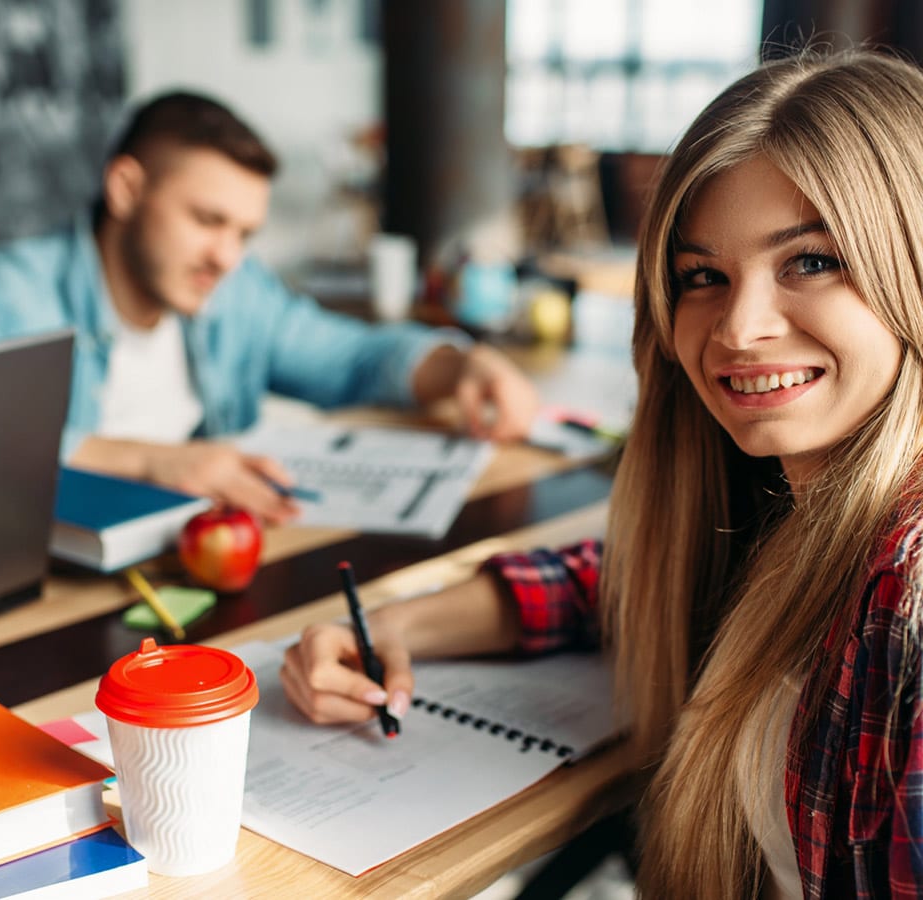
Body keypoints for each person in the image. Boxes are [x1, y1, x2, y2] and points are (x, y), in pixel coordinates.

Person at [280, 47, 923, 898]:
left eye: (810, 260)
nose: (738, 327)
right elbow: (629, 578)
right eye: (703, 277)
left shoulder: (907, 597)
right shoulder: (781, 503)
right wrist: (396, 630)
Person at [0, 91, 539, 525]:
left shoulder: (233, 292)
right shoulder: (5, 297)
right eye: (208, 220)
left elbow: (348, 357)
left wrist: (461, 365)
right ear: (126, 188)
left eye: (244, 233)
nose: (226, 256)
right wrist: (151, 461)